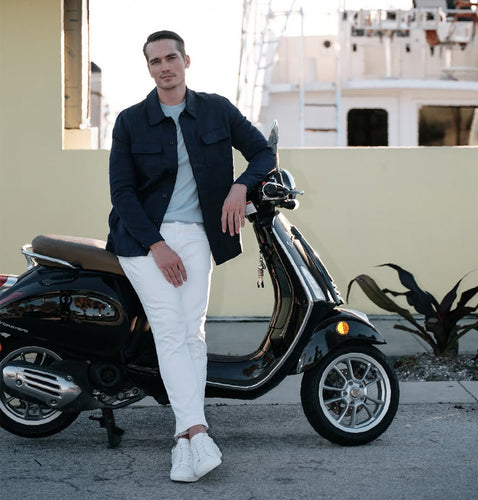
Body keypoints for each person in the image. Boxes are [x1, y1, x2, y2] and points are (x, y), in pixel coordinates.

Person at [106, 30, 274, 482]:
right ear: (148, 68)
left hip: (198, 236)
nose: (164, 66)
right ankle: (197, 431)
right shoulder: (130, 121)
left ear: (186, 61)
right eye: (155, 61)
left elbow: (263, 152)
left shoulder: (217, 109)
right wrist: (156, 245)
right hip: (143, 241)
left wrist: (241, 187)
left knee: (192, 332)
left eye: (171, 57)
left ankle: (184, 440)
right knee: (170, 329)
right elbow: (122, 193)